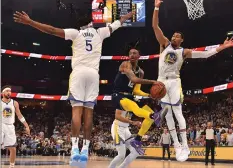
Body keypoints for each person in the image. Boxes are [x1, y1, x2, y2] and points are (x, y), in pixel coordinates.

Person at [13, 10, 134, 165]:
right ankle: (85, 148)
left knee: (76, 112)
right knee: (89, 113)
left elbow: (51, 30)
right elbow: (119, 23)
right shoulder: (100, 32)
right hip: (93, 74)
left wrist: (30, 22)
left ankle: (74, 149)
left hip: (78, 73)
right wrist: (128, 15)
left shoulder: (75, 33)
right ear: (90, 23)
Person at [152, 0, 233, 162]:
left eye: (178, 36)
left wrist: (223, 46)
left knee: (177, 112)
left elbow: (206, 55)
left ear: (182, 40)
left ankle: (184, 144)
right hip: (161, 82)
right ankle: (176, 145)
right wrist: (156, 7)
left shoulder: (185, 52)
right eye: (174, 35)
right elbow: (155, 27)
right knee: (167, 114)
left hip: (174, 82)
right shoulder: (164, 44)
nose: (174, 37)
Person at [112, 47, 165, 155]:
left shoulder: (140, 72)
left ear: (139, 56)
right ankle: (154, 116)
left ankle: (137, 140)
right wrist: (153, 81)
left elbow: (136, 90)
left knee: (148, 112)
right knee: (134, 107)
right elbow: (134, 79)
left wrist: (149, 95)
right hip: (118, 94)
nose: (131, 55)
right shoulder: (125, 64)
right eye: (130, 53)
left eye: (134, 53)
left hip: (131, 95)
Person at [1, 85, 30, 168]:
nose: (9, 92)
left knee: (13, 148)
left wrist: (27, 126)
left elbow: (19, 115)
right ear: (2, 93)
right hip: (1, 125)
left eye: (10, 91)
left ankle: (12, 166)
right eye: (7, 91)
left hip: (10, 126)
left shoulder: (14, 103)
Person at [108, 99, 141, 168]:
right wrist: (132, 122)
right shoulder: (122, 102)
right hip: (117, 128)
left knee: (136, 152)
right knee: (121, 155)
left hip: (126, 129)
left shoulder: (134, 105)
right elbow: (117, 116)